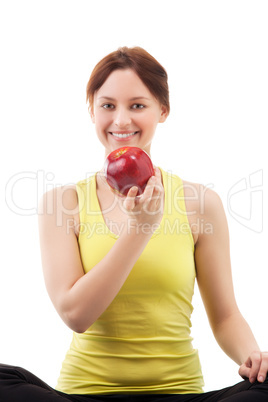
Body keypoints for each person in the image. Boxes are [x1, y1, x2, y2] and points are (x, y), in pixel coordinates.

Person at [0, 46, 267, 402]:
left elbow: (225, 316)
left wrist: (252, 356)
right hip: (84, 397)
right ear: (92, 111)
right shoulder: (63, 203)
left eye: (137, 105)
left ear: (163, 110)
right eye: (107, 105)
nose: (121, 121)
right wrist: (141, 227)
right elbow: (76, 314)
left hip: (179, 395)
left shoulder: (200, 204)